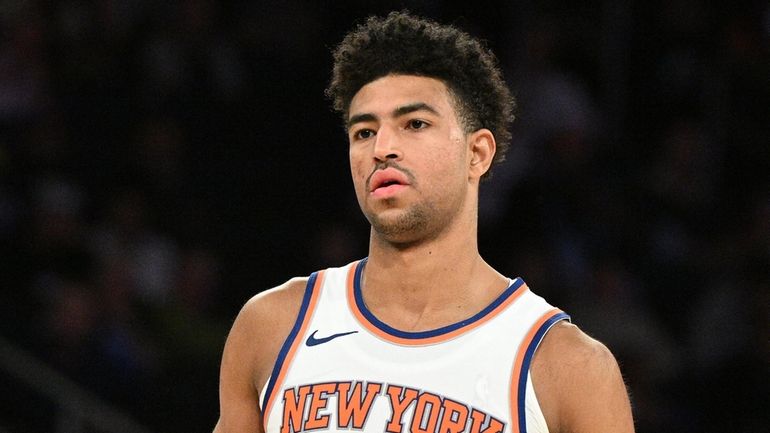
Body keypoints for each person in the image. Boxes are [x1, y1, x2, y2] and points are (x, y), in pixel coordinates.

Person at [214, 11, 634, 433]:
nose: (382, 148)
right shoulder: (272, 326)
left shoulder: (568, 367)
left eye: (414, 124)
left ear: (478, 154)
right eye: (363, 131)